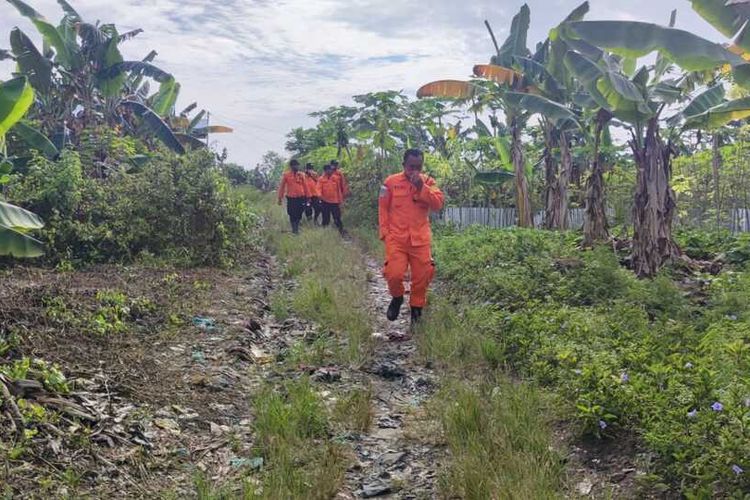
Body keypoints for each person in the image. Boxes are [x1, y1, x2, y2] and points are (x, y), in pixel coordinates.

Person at [378, 149, 444, 328]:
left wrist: (422, 187)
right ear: (403, 165)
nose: (414, 170)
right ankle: (397, 297)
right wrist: (385, 232)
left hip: (420, 240)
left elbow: (438, 204)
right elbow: (383, 208)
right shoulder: (390, 183)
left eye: (418, 167)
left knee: (422, 278)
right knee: (394, 274)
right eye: (410, 167)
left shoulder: (429, 182)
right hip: (396, 239)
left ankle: (416, 313)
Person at [277, 159, 310, 234]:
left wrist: (308, 197)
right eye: (295, 165)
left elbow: (306, 186)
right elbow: (282, 187)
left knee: (299, 213)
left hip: (301, 198)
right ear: (291, 166)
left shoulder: (302, 175)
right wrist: (280, 198)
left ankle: (296, 228)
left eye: (297, 165)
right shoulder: (286, 175)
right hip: (291, 198)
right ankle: (294, 230)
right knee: (291, 213)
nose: (296, 167)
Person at [317, 163, 345, 235]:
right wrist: (319, 196)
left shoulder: (335, 178)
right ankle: (325, 233)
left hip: (335, 202)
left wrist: (340, 201)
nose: (331, 171)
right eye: (329, 170)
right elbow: (318, 189)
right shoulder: (321, 179)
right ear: (325, 170)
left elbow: (338, 190)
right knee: (326, 218)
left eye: (331, 170)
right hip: (325, 202)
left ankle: (341, 231)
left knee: (337, 217)